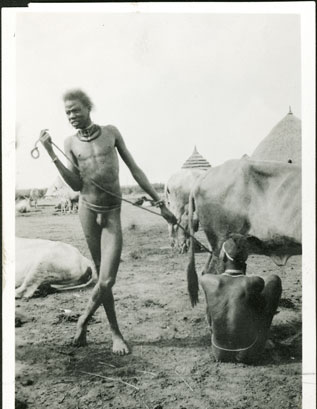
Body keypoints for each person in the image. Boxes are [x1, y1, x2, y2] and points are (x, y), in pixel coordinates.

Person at [39, 89, 177, 355]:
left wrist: (161, 204)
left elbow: (135, 169)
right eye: (67, 112)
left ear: (88, 108)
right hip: (87, 211)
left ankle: (83, 320)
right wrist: (51, 154)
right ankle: (115, 333)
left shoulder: (111, 133)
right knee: (102, 275)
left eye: (75, 110)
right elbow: (77, 184)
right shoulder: (69, 143)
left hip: (112, 212)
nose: (71, 116)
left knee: (106, 280)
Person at [199, 235, 282, 363]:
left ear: (225, 257)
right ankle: (263, 338)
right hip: (250, 352)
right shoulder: (255, 282)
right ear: (245, 259)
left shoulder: (207, 280)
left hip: (219, 351)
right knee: (274, 280)